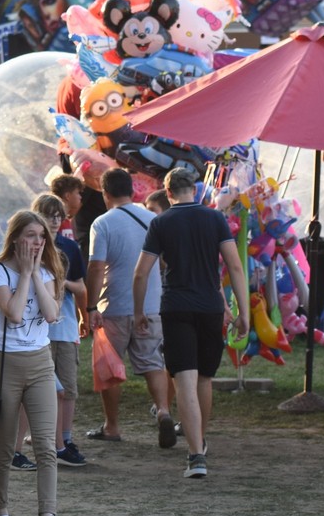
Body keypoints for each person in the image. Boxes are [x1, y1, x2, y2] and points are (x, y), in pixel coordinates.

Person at [136, 168, 250, 479]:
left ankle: (196, 454)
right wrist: (244, 313)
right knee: (204, 380)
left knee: (183, 380)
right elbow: (235, 267)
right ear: (196, 191)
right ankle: (201, 439)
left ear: (168, 193)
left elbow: (141, 273)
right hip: (211, 307)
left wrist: (138, 312)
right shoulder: (214, 218)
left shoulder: (160, 222)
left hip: (176, 307)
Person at [0, 210, 68, 516]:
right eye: (31, 235)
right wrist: (24, 275)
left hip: (39, 362)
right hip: (5, 363)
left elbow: (51, 315)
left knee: (47, 445)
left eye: (41, 237)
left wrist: (35, 275)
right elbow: (16, 313)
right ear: (16, 237)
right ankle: (1, 515)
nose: (37, 242)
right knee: (6, 446)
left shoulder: (47, 271)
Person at [84, 167, 173, 445]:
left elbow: (97, 267)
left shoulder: (102, 223)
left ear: (105, 193)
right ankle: (163, 411)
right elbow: (163, 262)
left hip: (114, 305)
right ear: (133, 190)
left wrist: (89, 307)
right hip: (150, 305)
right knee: (152, 363)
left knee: (109, 366)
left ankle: (112, 426)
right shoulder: (154, 219)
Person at [32, 192, 87, 468]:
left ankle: (64, 438)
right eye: (48, 215)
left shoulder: (69, 248)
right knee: (44, 389)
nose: (54, 221)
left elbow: (81, 287)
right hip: (37, 330)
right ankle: (52, 441)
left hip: (63, 327)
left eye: (58, 216)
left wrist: (82, 314)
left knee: (66, 387)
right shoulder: (30, 247)